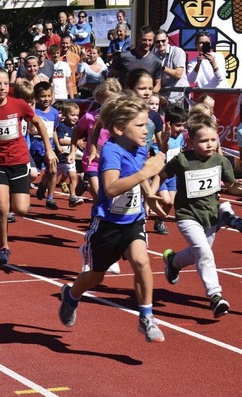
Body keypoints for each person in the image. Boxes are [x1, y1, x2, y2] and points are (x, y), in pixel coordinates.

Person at [58, 93, 167, 343]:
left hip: (133, 220)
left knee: (142, 262)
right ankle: (71, 295)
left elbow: (140, 178)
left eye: (147, 124)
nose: (145, 130)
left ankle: (147, 317)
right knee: (96, 277)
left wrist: (149, 195)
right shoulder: (111, 151)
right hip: (107, 225)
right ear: (118, 128)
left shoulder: (141, 148)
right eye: (139, 125)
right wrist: (145, 173)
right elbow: (112, 188)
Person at [156, 113, 242, 318]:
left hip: (210, 216)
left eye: (213, 139)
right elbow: (161, 175)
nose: (209, 144)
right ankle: (215, 296)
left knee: (198, 252)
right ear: (191, 141)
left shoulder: (221, 161)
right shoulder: (182, 160)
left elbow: (232, 187)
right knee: (204, 252)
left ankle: (173, 261)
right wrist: (150, 195)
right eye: (203, 141)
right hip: (187, 216)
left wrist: (239, 189)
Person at [0, 64, 56, 266]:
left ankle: (12, 197)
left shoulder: (19, 104)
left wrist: (49, 150)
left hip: (19, 160)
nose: (2, 87)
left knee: (21, 209)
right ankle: (3, 247)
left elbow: (39, 124)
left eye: (5, 83)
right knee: (2, 208)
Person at [151, 106, 187, 235]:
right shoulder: (160, 137)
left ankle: (159, 221)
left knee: (170, 202)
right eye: (178, 125)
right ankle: (146, 204)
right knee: (165, 200)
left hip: (172, 175)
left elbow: (180, 151)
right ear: (168, 124)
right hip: (160, 174)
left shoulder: (180, 137)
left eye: (183, 125)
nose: (181, 128)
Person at [32, 81, 63, 210]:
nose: (47, 99)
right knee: (33, 173)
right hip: (34, 145)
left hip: (49, 146)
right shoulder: (33, 111)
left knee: (53, 171)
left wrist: (58, 144)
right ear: (37, 97)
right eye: (43, 96)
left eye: (49, 96)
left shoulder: (54, 112)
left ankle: (50, 198)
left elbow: (54, 130)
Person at [109, 25, 162, 92]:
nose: (147, 43)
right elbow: (111, 77)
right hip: (125, 99)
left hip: (144, 101)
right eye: (144, 40)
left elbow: (158, 84)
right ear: (138, 38)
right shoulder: (123, 57)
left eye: (150, 40)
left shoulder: (156, 61)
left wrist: (150, 95)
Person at [56, 102, 84, 207]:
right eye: (72, 115)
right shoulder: (62, 126)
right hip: (60, 157)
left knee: (73, 175)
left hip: (70, 157)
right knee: (50, 177)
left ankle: (73, 197)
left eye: (77, 115)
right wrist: (76, 141)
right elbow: (61, 140)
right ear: (65, 115)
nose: (75, 117)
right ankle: (43, 186)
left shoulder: (76, 128)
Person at [154, 29, 190, 105]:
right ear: (154, 43)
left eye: (163, 41)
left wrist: (162, 68)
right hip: (164, 99)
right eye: (157, 41)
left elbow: (178, 74)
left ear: (167, 40)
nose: (160, 43)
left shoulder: (177, 51)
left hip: (180, 97)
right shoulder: (154, 56)